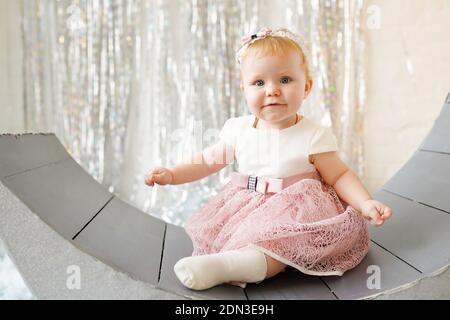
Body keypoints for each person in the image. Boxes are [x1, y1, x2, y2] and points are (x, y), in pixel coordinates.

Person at [144, 27, 392, 291]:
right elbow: (206, 161)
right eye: (259, 83)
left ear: (306, 86)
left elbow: (339, 175)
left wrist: (365, 202)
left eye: (285, 80)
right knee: (243, 238)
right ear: (244, 89)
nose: (272, 90)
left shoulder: (312, 135)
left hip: (297, 212)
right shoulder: (238, 129)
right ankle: (227, 260)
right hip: (246, 208)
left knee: (277, 247)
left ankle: (230, 267)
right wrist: (172, 174)